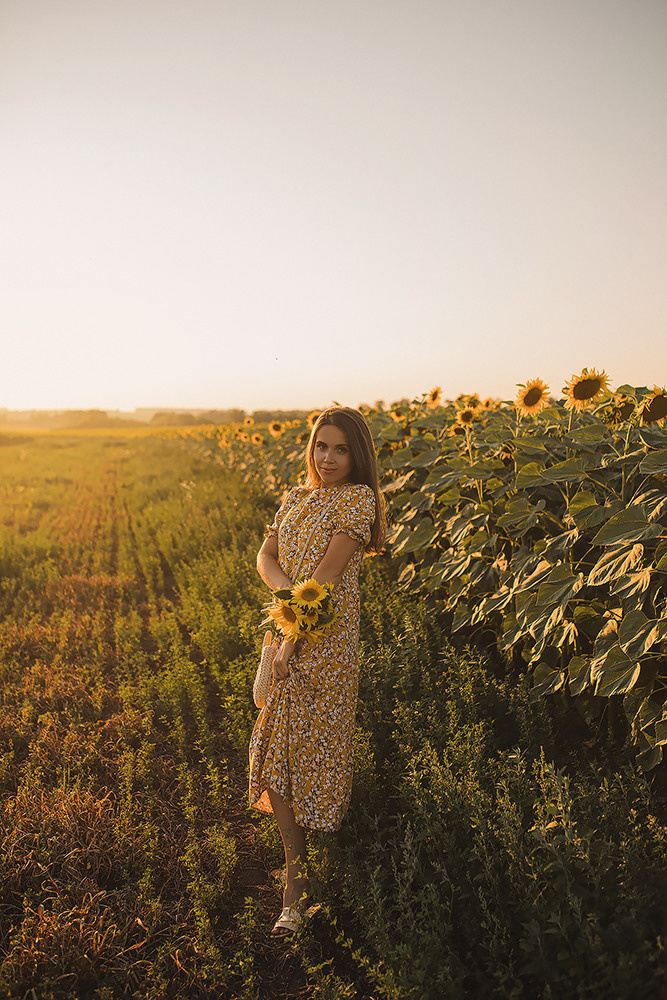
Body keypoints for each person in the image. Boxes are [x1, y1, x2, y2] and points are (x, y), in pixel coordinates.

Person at [249, 406, 386, 936]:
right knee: (275, 753)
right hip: (291, 629)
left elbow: (326, 579)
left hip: (324, 648)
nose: (328, 458)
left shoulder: (357, 500)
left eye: (341, 449)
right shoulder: (295, 497)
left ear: (357, 455)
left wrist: (292, 640)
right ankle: (297, 875)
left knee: (306, 753)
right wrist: (289, 600)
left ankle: (301, 881)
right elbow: (265, 557)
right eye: (321, 446)